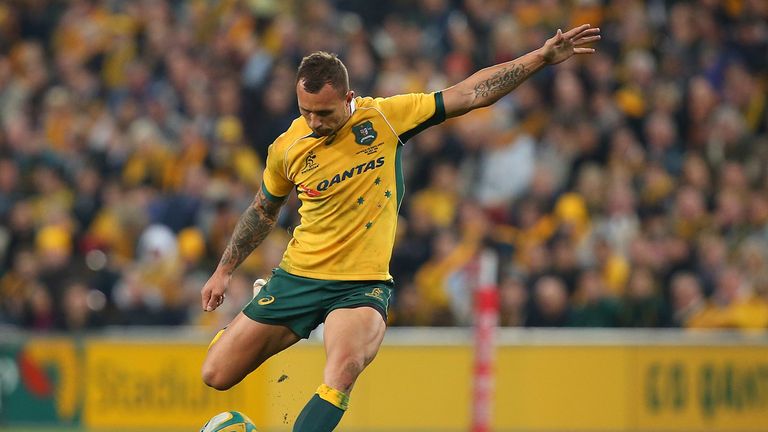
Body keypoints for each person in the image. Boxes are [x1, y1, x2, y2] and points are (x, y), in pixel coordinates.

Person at [200, 24, 601, 431]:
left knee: (343, 369)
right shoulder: (287, 147)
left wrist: (539, 58)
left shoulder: (386, 117)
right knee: (215, 375)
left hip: (360, 285)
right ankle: (250, 319)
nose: (314, 122)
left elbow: (469, 94)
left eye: (324, 113)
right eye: (305, 112)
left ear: (349, 98)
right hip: (299, 276)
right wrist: (224, 270)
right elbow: (262, 211)